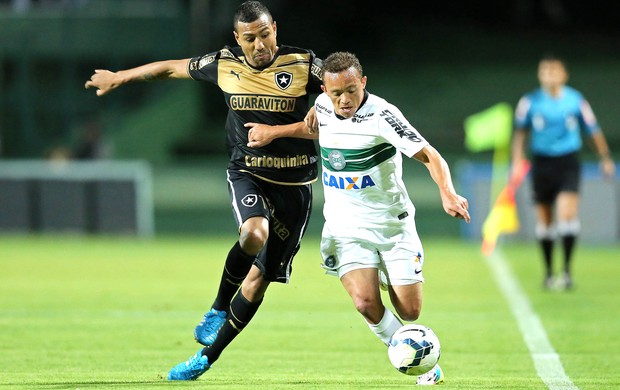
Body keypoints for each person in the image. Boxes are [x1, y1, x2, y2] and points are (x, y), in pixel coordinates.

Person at [85, 1, 323, 380]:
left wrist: (325, 103)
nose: (260, 44)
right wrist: (119, 77)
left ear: (275, 28)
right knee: (253, 232)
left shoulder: (304, 64)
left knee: (260, 280)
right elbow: (169, 68)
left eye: (265, 34)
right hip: (248, 172)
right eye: (250, 38)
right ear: (237, 39)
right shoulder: (223, 63)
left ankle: (206, 359)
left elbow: (347, 89)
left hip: (296, 185)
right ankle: (216, 308)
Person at [311, 51, 470, 385]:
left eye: (351, 90)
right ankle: (423, 363)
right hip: (346, 228)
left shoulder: (383, 115)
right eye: (336, 92)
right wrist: (273, 133)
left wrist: (447, 192)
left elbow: (430, 155)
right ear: (325, 90)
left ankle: (386, 272)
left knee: (410, 312)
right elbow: (310, 128)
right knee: (366, 302)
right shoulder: (321, 107)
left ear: (363, 82)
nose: (344, 100)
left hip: (391, 225)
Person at [511, 55, 616, 291]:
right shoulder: (530, 102)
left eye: (553, 70)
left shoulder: (575, 100)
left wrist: (605, 158)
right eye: (544, 70)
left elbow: (592, 130)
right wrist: (517, 160)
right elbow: (520, 133)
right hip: (541, 163)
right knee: (545, 220)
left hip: (567, 162)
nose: (548, 74)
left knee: (567, 214)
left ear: (563, 74)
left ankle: (567, 271)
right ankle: (549, 273)